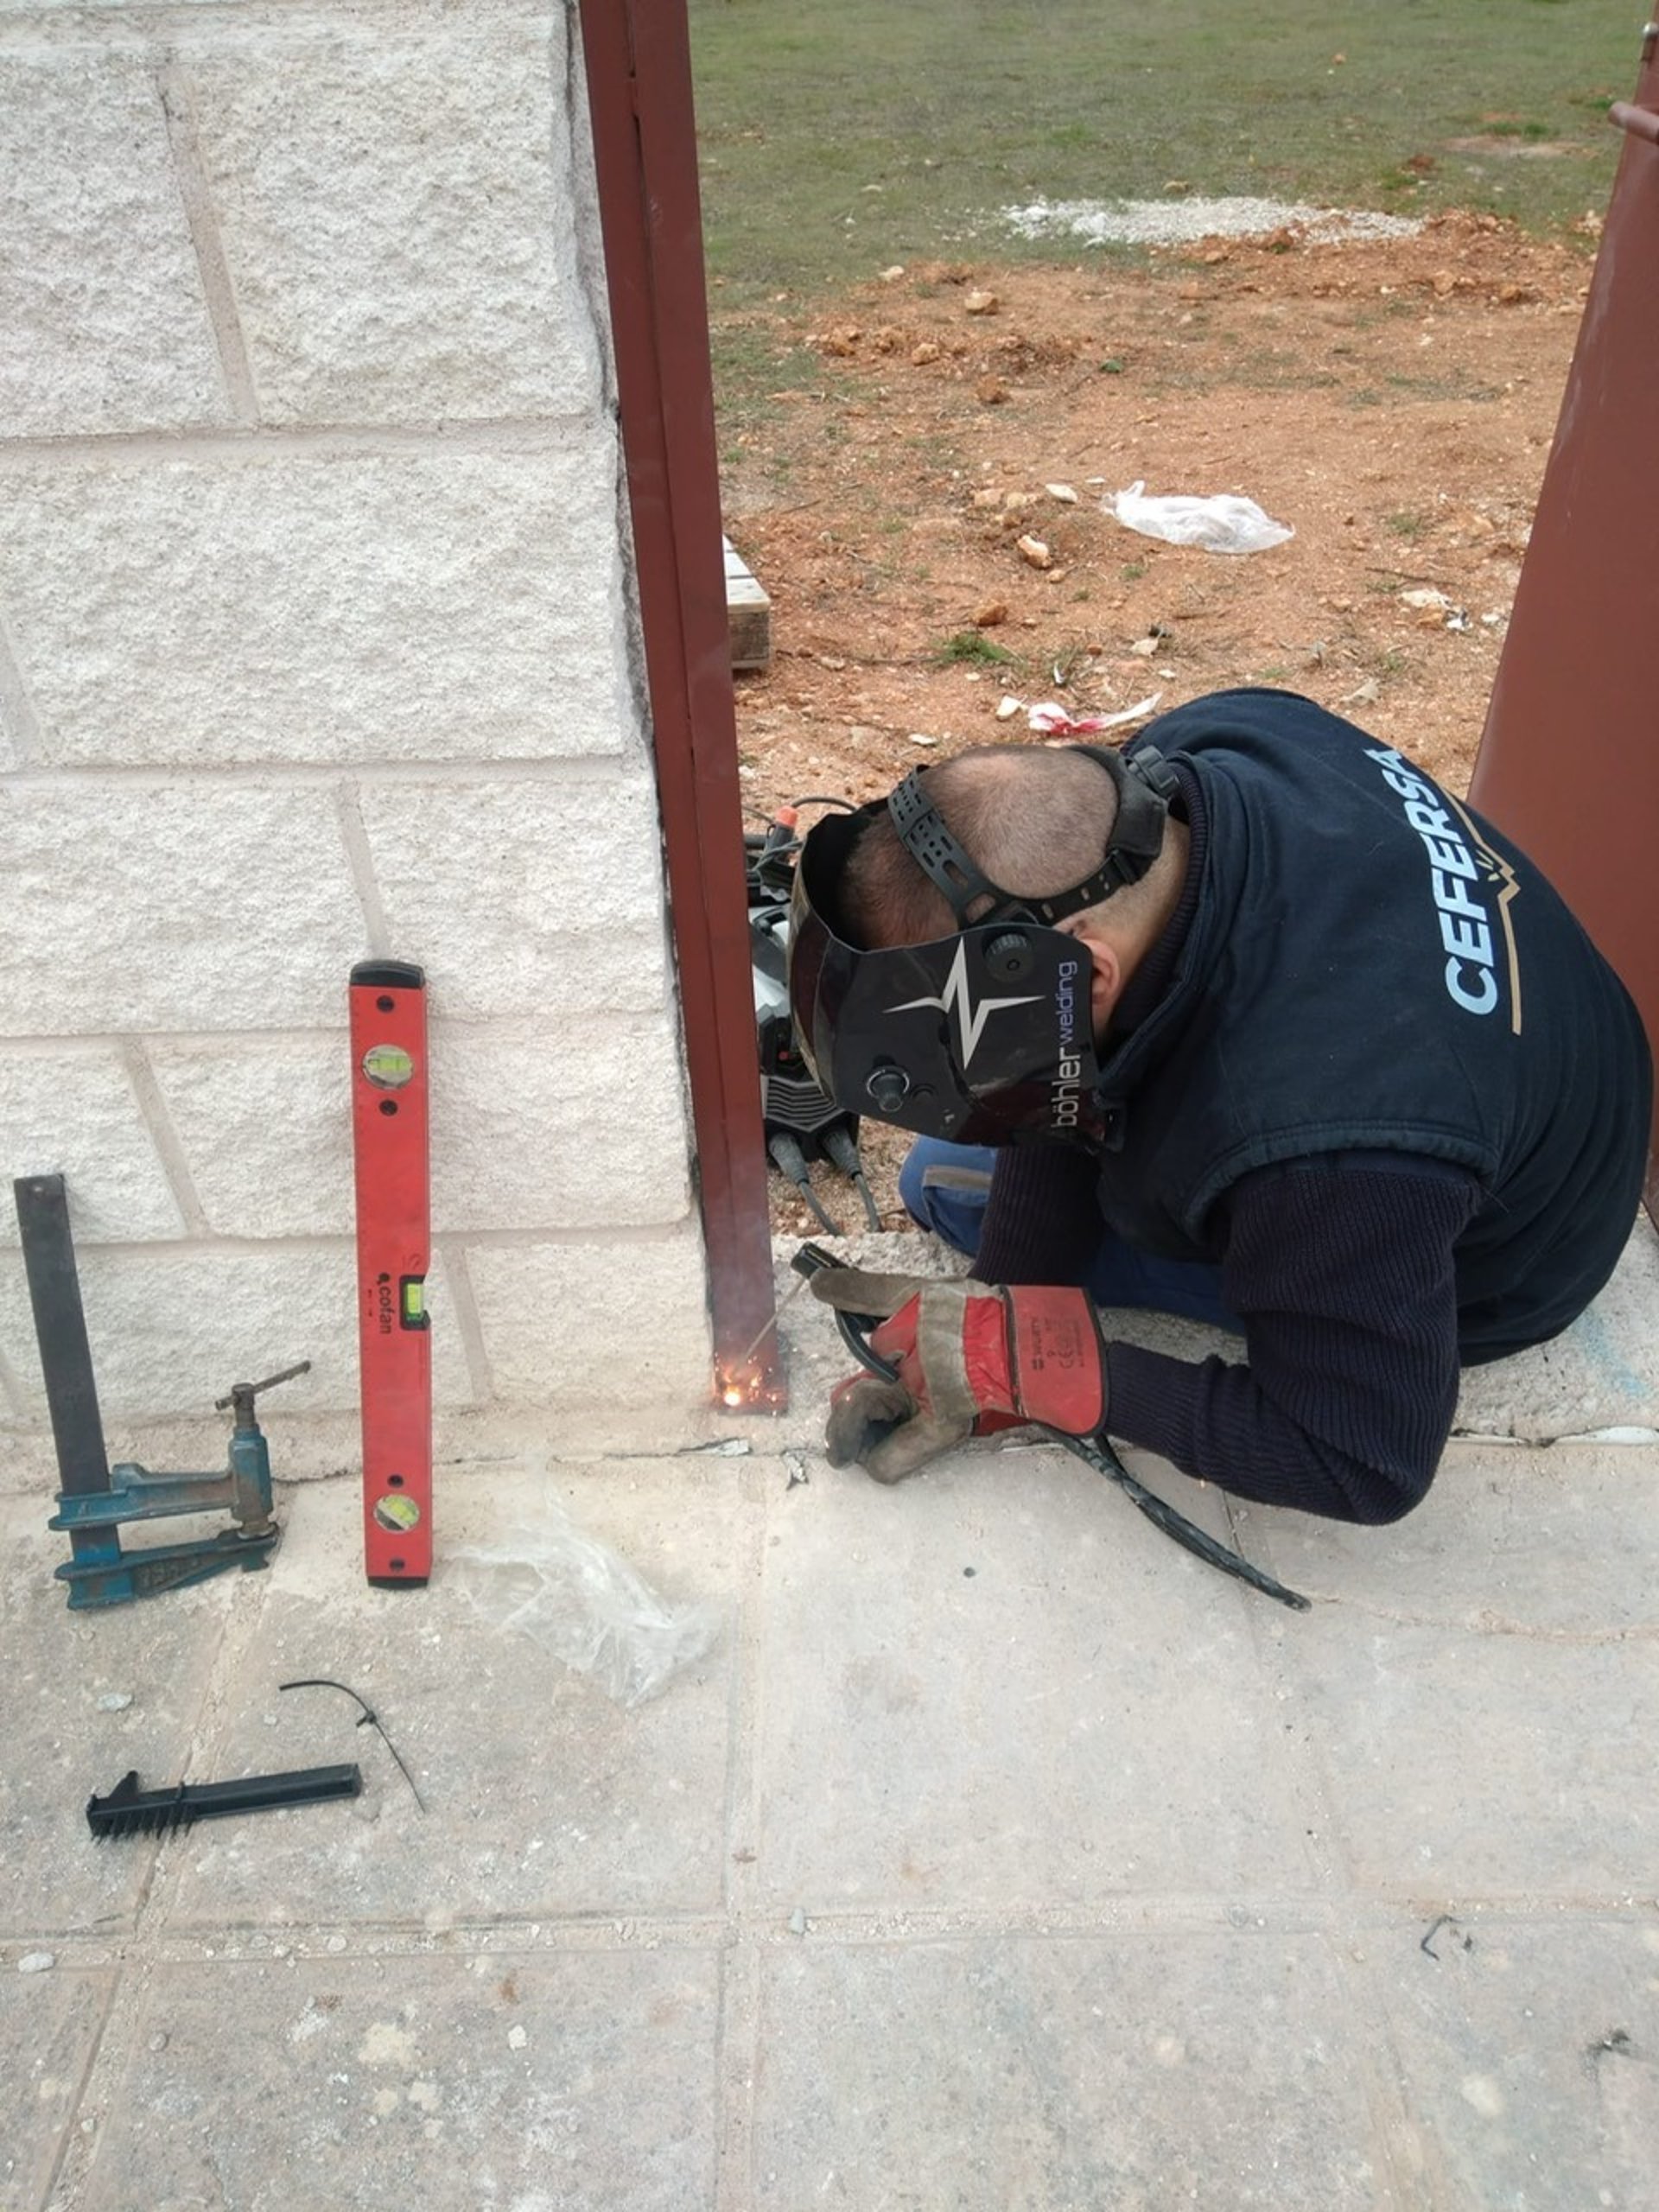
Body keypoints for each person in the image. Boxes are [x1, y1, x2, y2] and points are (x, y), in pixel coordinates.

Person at [785, 687, 1652, 1524]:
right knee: (1016, 1134)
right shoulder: (1212, 747)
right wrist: (1000, 1303)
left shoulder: (1324, 1140)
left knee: (940, 1184)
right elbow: (1056, 1063)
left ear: (1086, 974)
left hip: (1511, 1262)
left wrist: (1037, 1365)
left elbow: (1365, 1458)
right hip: (1557, 1076)